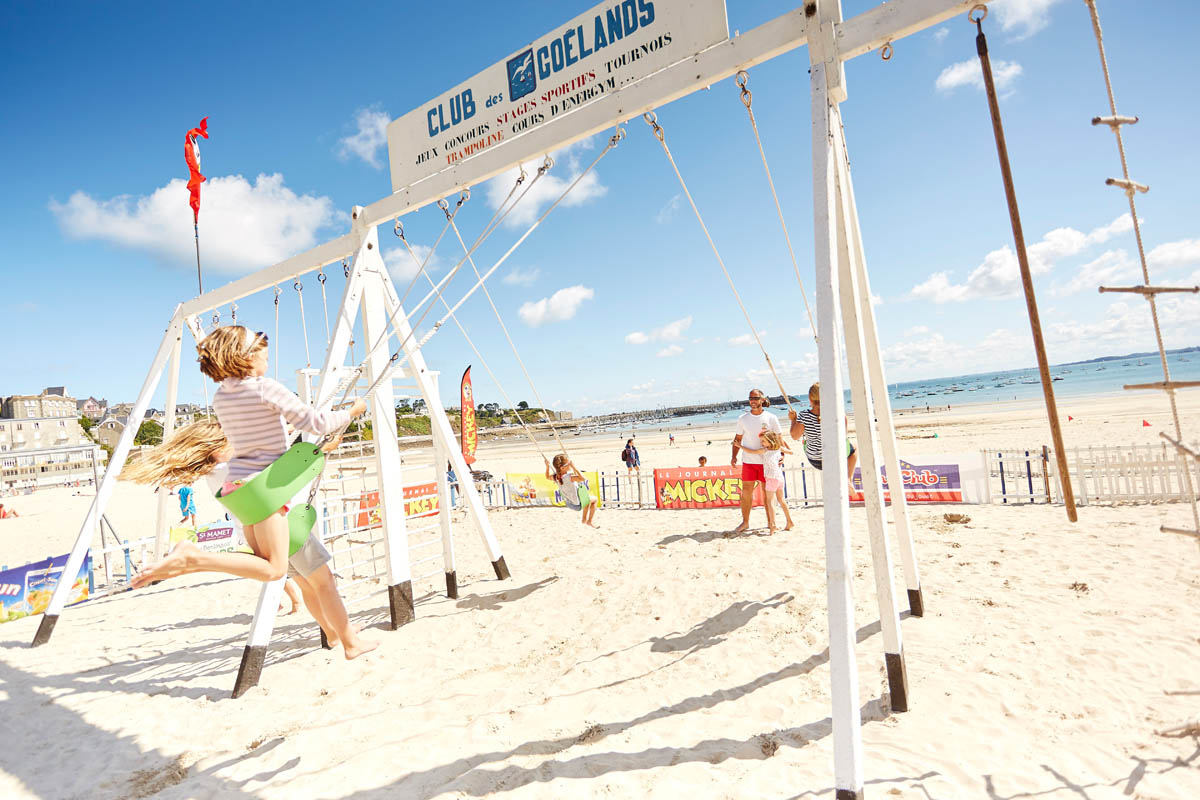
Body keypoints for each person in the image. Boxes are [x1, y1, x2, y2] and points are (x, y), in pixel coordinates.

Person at [123, 326, 377, 659]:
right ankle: (194, 557)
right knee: (280, 571)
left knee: (270, 566)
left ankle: (338, 636)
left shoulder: (222, 396)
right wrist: (352, 412)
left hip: (239, 490)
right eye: (263, 353)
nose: (268, 359)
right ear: (245, 357)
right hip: (262, 492)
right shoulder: (266, 388)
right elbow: (313, 422)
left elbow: (265, 434)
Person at [731, 388, 782, 533]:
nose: (753, 401)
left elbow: (778, 438)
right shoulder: (743, 419)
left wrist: (781, 454)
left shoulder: (771, 418)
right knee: (746, 492)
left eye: (756, 398)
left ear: (762, 399)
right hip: (749, 461)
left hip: (767, 462)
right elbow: (738, 439)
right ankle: (745, 522)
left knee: (768, 494)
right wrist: (734, 456)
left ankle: (770, 522)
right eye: (751, 398)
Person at [788, 382, 857, 481]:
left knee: (806, 443)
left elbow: (795, 437)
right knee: (854, 447)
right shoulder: (837, 413)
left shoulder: (804, 416)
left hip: (815, 460)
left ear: (810, 399)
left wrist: (793, 420)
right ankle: (849, 478)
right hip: (834, 458)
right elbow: (843, 437)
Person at [738, 430, 794, 532]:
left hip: (771, 478)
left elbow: (751, 452)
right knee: (781, 500)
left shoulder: (766, 450)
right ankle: (789, 521)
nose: (761, 443)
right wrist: (782, 448)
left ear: (770, 440)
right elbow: (791, 452)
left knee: (770, 502)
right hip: (779, 477)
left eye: (763, 441)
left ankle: (772, 525)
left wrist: (740, 446)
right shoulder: (778, 448)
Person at [545, 453, 599, 527]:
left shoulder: (556, 477)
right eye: (568, 464)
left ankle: (584, 520)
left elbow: (547, 477)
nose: (569, 464)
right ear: (562, 468)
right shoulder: (570, 477)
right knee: (595, 499)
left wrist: (547, 466)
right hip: (577, 504)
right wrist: (574, 467)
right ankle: (589, 521)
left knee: (587, 498)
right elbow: (583, 478)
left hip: (569, 504)